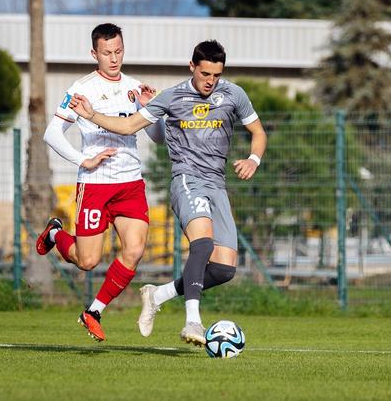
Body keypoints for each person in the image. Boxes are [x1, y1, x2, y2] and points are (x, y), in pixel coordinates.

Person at [69, 40, 267, 346]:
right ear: (192, 67)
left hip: (217, 184)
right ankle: (192, 322)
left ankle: (158, 294)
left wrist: (254, 159)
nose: (209, 81)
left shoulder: (234, 94)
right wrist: (92, 114)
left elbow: (258, 132)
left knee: (225, 269)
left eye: (215, 75)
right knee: (201, 244)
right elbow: (129, 126)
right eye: (204, 74)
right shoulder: (172, 97)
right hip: (187, 179)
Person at [35, 23, 162, 342]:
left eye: (118, 51)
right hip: (95, 183)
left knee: (134, 250)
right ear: (95, 53)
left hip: (130, 184)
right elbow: (52, 133)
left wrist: (149, 111)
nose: (114, 58)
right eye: (107, 53)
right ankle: (55, 233)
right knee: (87, 261)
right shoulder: (82, 89)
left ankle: (93, 311)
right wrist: (82, 159)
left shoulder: (134, 87)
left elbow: (157, 138)